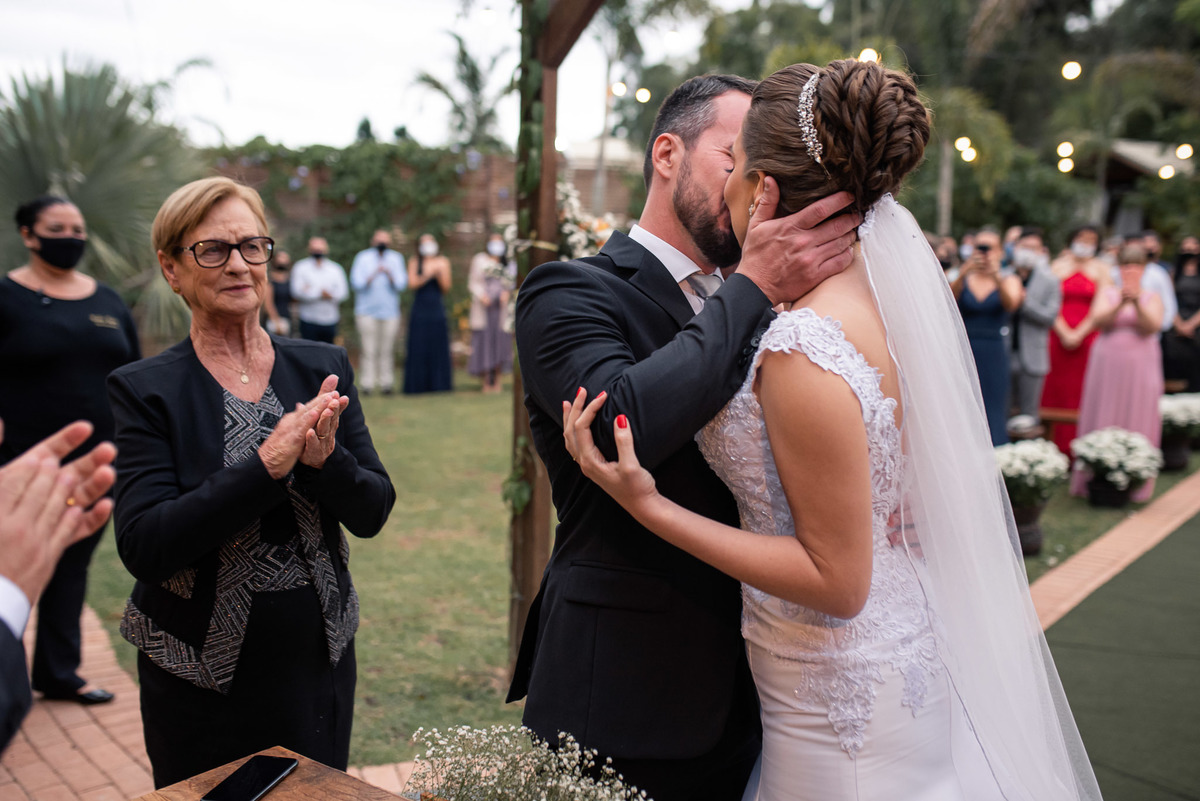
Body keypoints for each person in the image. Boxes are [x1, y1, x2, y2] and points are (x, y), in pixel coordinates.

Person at [561, 59, 1101, 801]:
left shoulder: (803, 345)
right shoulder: (880, 306)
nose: (729, 182)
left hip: (840, 679)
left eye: (737, 164)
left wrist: (652, 507)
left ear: (763, 187)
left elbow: (838, 582)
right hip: (872, 648)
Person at [510, 70, 863, 801]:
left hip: (765, 682)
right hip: (624, 691)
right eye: (737, 159)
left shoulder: (782, 305)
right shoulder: (569, 290)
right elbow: (621, 426)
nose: (756, 190)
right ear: (668, 154)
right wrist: (753, 285)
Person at [107, 177, 395, 787]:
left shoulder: (321, 367)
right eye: (212, 250)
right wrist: (265, 466)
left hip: (316, 661)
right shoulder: (146, 390)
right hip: (197, 674)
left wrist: (325, 462)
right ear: (171, 269)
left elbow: (372, 509)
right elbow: (145, 545)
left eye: (252, 246)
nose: (238, 264)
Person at [0, 196, 141, 706]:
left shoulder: (107, 300)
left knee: (72, 560)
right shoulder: (6, 296)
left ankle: (59, 672)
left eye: (77, 228)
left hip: (100, 460)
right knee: (10, 565)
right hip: (21, 459)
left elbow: (131, 370)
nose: (71, 237)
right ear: (28, 235)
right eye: (56, 228)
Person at [1, 420, 117, 753]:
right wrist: (7, 590)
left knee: (71, 564)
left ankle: (57, 671)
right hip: (23, 444)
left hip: (95, 448)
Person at [1071, 242, 1165, 502]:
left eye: (1135, 266)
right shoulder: (1108, 293)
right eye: (1126, 265)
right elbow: (1098, 321)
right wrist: (1120, 303)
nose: (1130, 270)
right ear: (1119, 268)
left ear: (1143, 270)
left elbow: (1152, 326)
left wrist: (1136, 304)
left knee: (1139, 407)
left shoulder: (1152, 296)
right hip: (1108, 360)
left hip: (1141, 361)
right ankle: (1093, 475)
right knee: (1105, 404)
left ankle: (1135, 477)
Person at [1040, 225, 1111, 455]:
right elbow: (1048, 301)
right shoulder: (1057, 266)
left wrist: (1080, 333)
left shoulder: (1102, 269)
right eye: (1081, 239)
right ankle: (1053, 445)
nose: (1085, 244)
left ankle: (1082, 446)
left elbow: (1102, 305)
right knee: (1055, 389)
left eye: (1091, 240)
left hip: (1088, 337)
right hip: (1057, 335)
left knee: (1083, 390)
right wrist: (1063, 331)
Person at [950, 228, 1024, 445]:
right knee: (961, 402)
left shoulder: (1009, 278)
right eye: (979, 247)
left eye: (989, 248)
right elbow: (946, 301)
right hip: (964, 346)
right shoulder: (961, 276)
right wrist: (963, 272)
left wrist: (996, 277)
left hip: (994, 349)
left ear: (1000, 251)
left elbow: (1011, 305)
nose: (984, 252)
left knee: (992, 403)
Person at [1009, 227, 1062, 421]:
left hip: (1033, 356)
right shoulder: (1004, 276)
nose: (1028, 252)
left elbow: (1050, 317)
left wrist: (1025, 302)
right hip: (1004, 352)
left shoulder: (1050, 281)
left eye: (1034, 248)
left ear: (1041, 251)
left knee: (1029, 416)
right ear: (1016, 248)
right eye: (1025, 247)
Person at [350, 230, 407, 395]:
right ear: (373, 241)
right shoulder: (363, 258)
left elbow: (402, 284)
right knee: (368, 349)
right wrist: (374, 273)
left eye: (385, 240)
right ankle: (367, 384)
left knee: (386, 349)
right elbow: (356, 283)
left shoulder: (396, 258)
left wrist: (389, 274)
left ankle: (386, 384)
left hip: (390, 312)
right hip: (366, 311)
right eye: (379, 240)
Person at [402, 232, 453, 394]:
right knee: (418, 344)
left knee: (437, 344)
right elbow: (412, 283)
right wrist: (427, 274)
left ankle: (439, 384)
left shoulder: (443, 261)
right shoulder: (414, 261)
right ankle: (417, 385)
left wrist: (438, 273)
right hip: (420, 308)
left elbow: (446, 287)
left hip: (436, 307)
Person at [466, 233, 516, 393]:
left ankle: (498, 380)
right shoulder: (479, 260)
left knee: (500, 344)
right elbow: (473, 282)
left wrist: (506, 293)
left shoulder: (508, 263)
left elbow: (512, 283)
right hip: (484, 308)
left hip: (500, 310)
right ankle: (486, 380)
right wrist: (482, 296)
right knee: (485, 344)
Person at [290, 236, 348, 343]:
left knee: (328, 350)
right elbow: (296, 291)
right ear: (309, 249)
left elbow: (343, 293)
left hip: (330, 319)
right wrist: (319, 294)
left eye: (320, 249)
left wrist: (326, 294)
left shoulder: (335, 269)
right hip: (308, 319)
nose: (317, 252)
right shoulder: (300, 267)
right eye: (315, 249)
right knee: (309, 350)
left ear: (326, 250)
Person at [1164, 252, 1200, 391]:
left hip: (1196, 324)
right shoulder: (1173, 273)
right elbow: (1167, 299)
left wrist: (1191, 324)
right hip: (1176, 322)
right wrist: (1179, 323)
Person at [262, 250, 294, 336]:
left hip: (287, 318)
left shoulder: (290, 279)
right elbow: (268, 304)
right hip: (274, 321)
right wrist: (276, 322)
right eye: (281, 257)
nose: (283, 260)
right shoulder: (270, 279)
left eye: (285, 257)